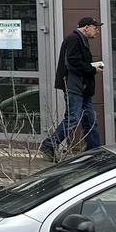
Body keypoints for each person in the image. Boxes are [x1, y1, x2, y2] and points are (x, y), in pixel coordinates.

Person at [41, 16, 104, 161]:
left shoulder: (80, 39)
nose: (97, 31)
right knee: (73, 119)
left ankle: (94, 150)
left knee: (90, 119)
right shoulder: (74, 39)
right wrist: (92, 69)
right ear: (86, 28)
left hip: (82, 87)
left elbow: (75, 62)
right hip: (74, 86)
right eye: (95, 28)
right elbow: (72, 62)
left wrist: (91, 68)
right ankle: (49, 145)